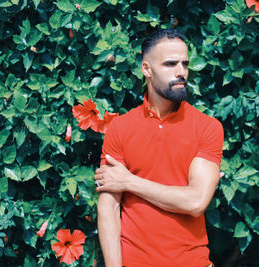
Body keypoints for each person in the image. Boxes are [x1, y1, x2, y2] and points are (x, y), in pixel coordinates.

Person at [94, 29, 224, 267]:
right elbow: (108, 209)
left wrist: (130, 182)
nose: (181, 72)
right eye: (170, 64)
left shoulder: (207, 127)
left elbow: (196, 202)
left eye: (184, 64)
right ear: (147, 70)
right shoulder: (120, 128)